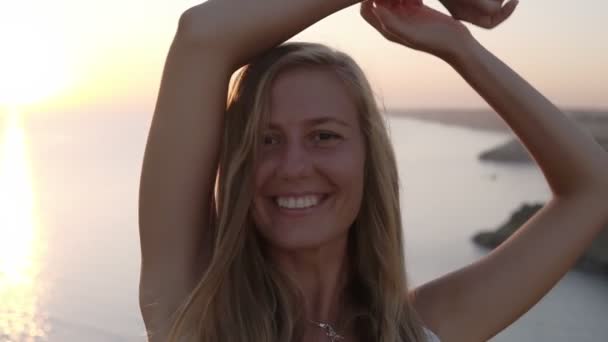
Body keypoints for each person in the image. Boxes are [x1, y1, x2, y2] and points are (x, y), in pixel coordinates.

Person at [137, 0, 608, 341]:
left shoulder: (422, 328)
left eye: (324, 136)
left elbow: (594, 188)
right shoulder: (194, 310)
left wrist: (457, 45)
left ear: (369, 159)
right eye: (266, 140)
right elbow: (200, 35)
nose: (293, 166)